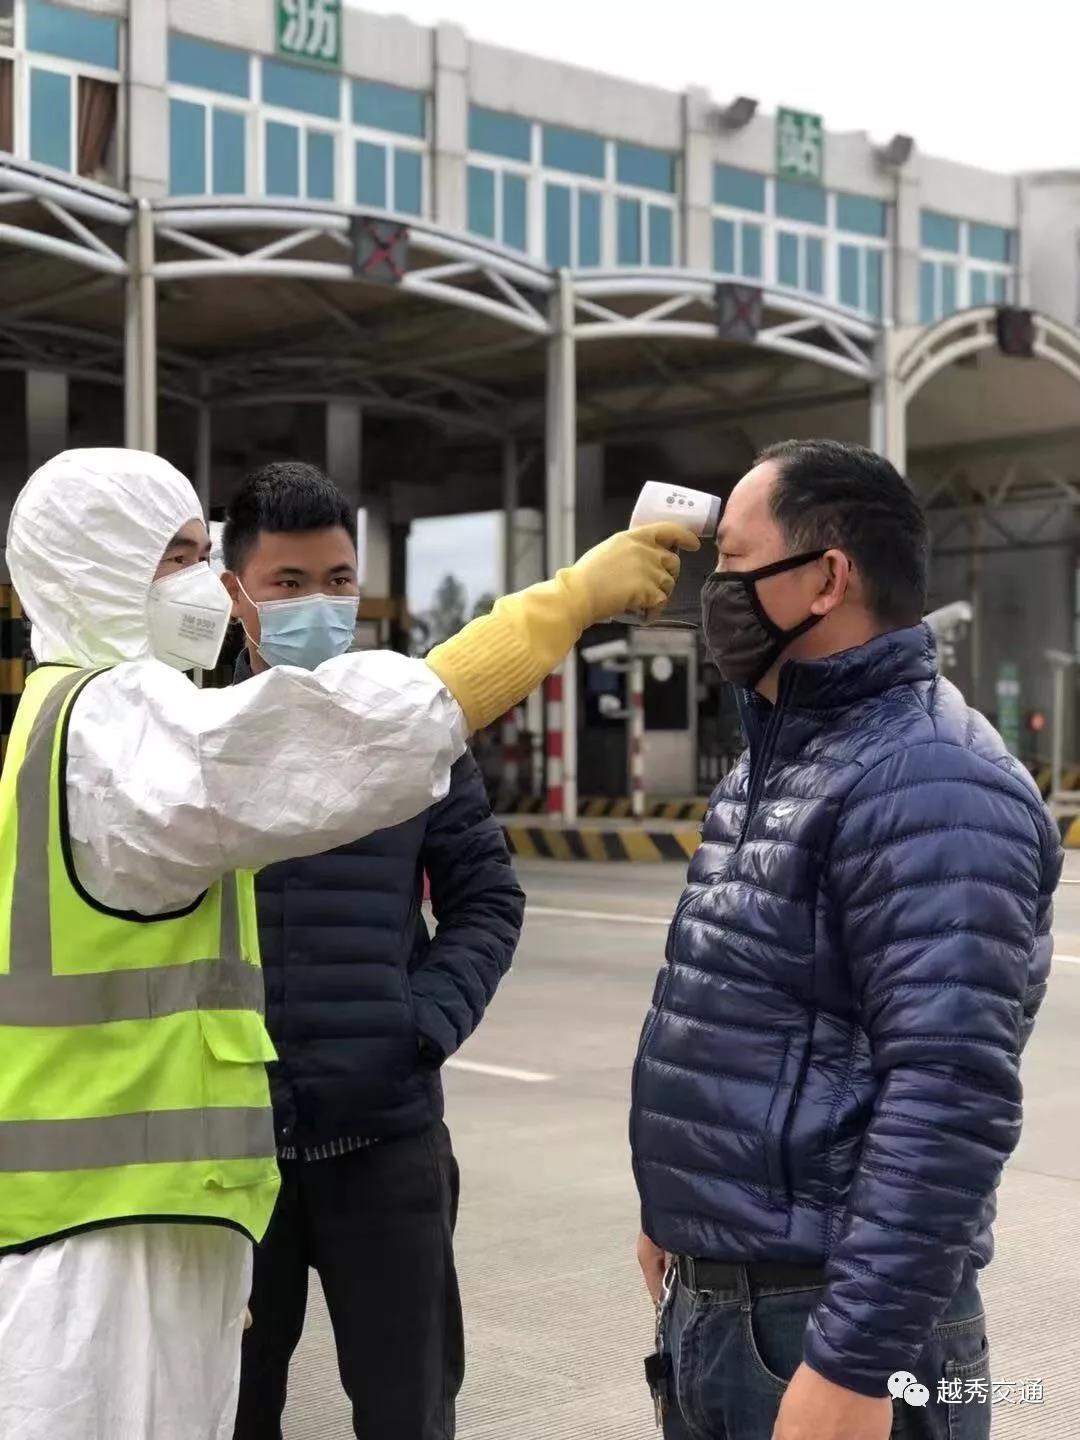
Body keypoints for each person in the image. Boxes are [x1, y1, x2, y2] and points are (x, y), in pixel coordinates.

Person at [0, 446, 695, 1440]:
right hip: (118, 1240)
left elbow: (481, 893)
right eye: (179, 559)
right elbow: (368, 735)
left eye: (203, 554)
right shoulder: (128, 736)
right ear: (98, 572)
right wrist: (569, 601)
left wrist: (414, 1029)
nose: (201, 583)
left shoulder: (80, 719)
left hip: (217, 1189)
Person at [631, 440, 1061, 1440]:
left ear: (827, 578)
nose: (716, 592)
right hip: (729, 1308)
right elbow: (744, 1019)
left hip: (832, 1328)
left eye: (734, 564)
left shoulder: (935, 779)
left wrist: (857, 1363)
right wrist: (681, 1220)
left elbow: (948, 1093)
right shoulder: (778, 760)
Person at [221, 463, 524, 1440]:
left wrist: (420, 1023)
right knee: (225, 1415)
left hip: (387, 1150)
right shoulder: (189, 738)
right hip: (228, 1162)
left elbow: (487, 897)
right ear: (236, 593)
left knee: (410, 1415)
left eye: (339, 580)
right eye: (290, 582)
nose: (320, 604)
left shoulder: (412, 732)